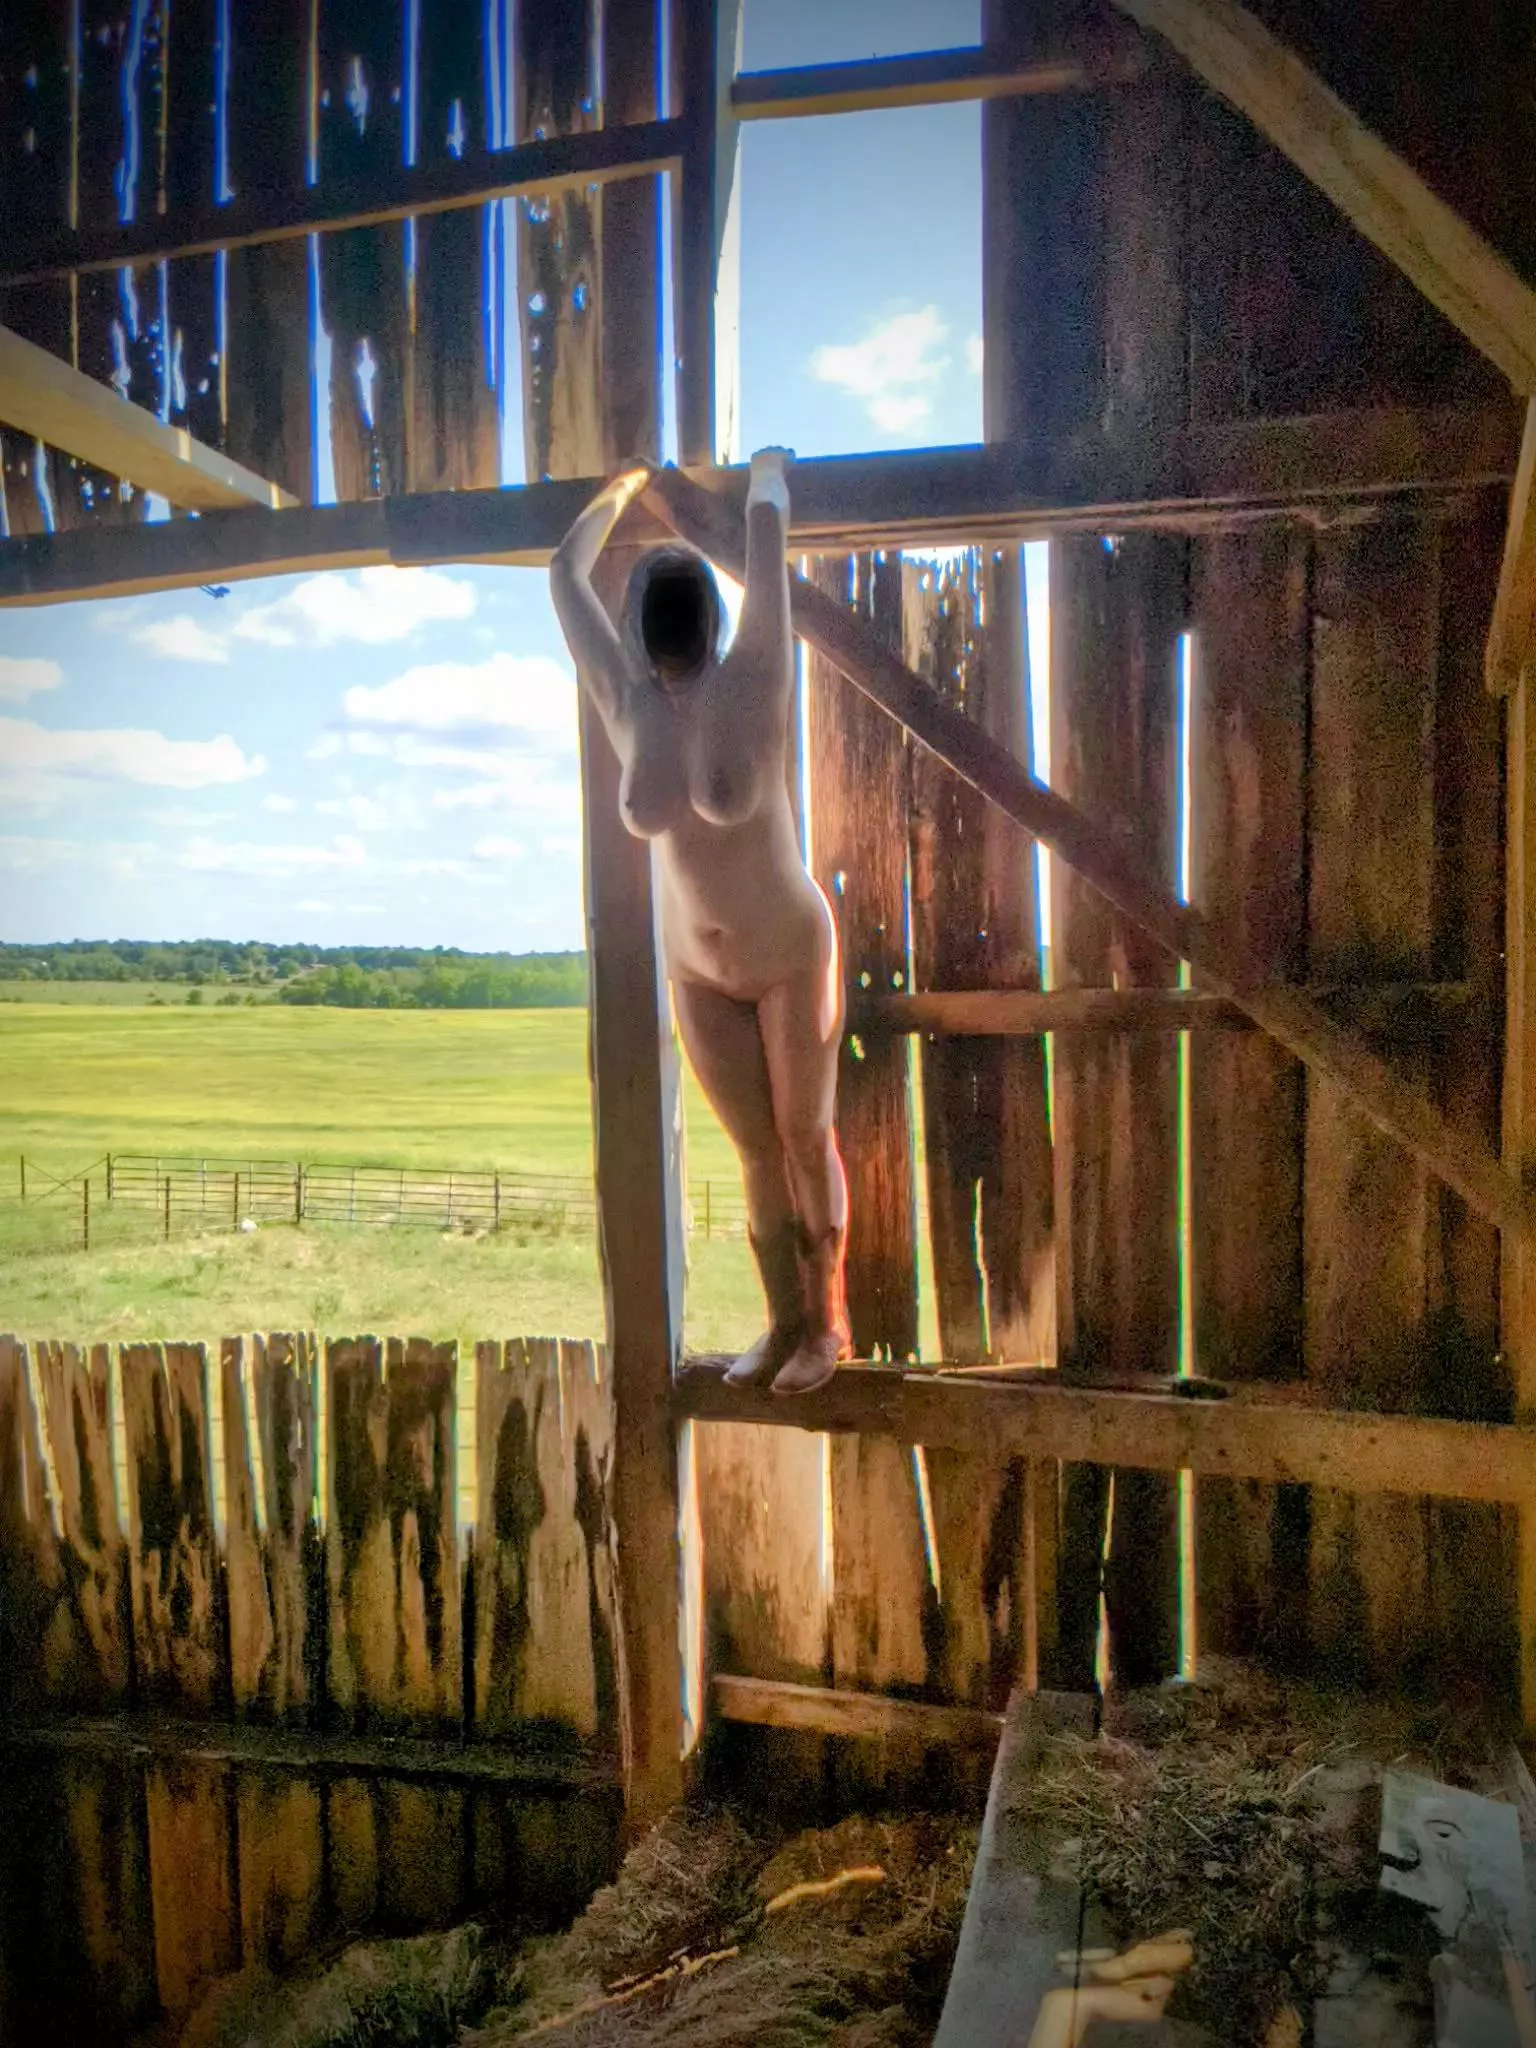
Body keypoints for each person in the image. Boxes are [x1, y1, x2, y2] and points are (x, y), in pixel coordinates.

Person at [549, 447, 851, 1396]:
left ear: (712, 625)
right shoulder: (625, 700)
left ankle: (828, 1329)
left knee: (805, 1135)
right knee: (756, 1152)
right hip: (697, 970)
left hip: (789, 954)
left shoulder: (757, 672)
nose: (668, 642)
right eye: (654, 625)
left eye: (682, 622)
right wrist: (626, 486)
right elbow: (564, 575)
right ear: (636, 631)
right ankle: (781, 1323)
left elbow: (769, 547)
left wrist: (766, 477)